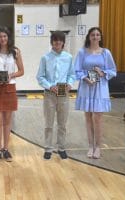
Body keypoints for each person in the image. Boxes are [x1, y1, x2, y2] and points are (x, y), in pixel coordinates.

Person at [74, 27, 116, 159]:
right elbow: (76, 70)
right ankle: (90, 146)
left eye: (98, 35)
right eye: (93, 34)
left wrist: (102, 73)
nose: (95, 37)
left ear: (100, 37)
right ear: (89, 37)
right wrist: (85, 78)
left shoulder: (106, 53)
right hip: (87, 86)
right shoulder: (82, 52)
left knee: (97, 118)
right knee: (88, 118)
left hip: (100, 87)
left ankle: (98, 146)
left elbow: (113, 70)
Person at [0, 27, 24, 163]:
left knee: (8, 121)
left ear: (8, 37)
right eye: (0, 37)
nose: (3, 39)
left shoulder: (16, 52)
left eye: (5, 36)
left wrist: (11, 74)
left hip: (10, 86)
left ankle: (6, 149)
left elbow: (21, 71)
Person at [36, 31, 75, 160]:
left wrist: (69, 84)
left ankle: (61, 148)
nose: (57, 42)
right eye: (55, 40)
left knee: (62, 123)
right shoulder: (45, 58)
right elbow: (40, 77)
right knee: (48, 123)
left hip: (64, 94)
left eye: (60, 40)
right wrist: (49, 86)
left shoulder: (68, 57)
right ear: (51, 42)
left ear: (63, 42)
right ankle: (48, 148)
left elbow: (72, 75)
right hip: (49, 95)